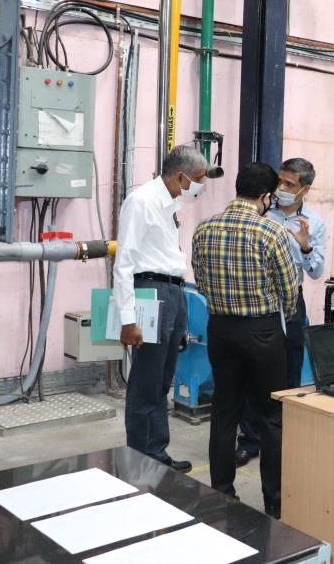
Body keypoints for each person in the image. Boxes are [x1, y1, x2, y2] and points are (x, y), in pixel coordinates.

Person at [191, 162, 300, 519]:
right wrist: (279, 315)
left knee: (224, 412)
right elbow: (289, 290)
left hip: (221, 330)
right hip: (263, 333)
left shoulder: (204, 228)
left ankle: (222, 494)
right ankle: (275, 503)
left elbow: (201, 282)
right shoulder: (271, 231)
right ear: (266, 197)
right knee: (271, 418)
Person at [113, 144, 208, 472]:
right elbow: (124, 262)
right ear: (181, 176)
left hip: (173, 291)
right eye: (198, 178)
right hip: (151, 292)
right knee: (146, 381)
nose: (200, 185)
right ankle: (139, 458)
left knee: (163, 377)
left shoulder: (170, 203)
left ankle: (157, 452)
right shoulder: (141, 201)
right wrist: (128, 319)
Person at [236, 158, 326, 467]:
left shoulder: (314, 222)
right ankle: (250, 440)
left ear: (305, 189)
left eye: (290, 184)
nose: (282, 189)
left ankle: (282, 440)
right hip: (259, 299)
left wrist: (305, 246)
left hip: (291, 300)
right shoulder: (262, 212)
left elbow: (316, 271)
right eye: (280, 182)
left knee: (289, 369)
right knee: (253, 370)